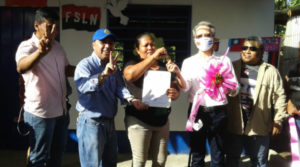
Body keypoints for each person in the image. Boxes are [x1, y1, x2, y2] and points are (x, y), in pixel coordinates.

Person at [74, 28, 145, 167]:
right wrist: (104, 75)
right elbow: (83, 87)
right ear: (93, 44)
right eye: (103, 42)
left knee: (111, 163)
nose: (107, 46)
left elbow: (120, 87)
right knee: (92, 165)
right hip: (90, 124)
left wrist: (131, 99)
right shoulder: (85, 65)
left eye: (111, 43)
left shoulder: (114, 67)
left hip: (109, 123)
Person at [15, 8, 75, 167]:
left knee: (57, 155)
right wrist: (40, 53)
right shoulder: (27, 46)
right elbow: (21, 67)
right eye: (49, 26)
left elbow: (66, 69)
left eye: (56, 27)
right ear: (36, 25)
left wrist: (88, 70)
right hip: (40, 114)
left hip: (61, 112)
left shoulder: (58, 47)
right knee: (38, 157)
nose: (54, 31)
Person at [180, 21, 239, 167]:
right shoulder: (188, 62)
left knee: (218, 155)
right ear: (195, 40)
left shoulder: (224, 61)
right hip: (197, 112)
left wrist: (226, 85)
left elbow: (235, 88)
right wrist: (177, 75)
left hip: (219, 112)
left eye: (208, 35)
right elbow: (185, 88)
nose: (204, 38)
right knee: (197, 154)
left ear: (214, 38)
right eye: (200, 36)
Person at [225, 36, 289, 167]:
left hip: (259, 124)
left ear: (260, 52)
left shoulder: (271, 71)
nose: (247, 51)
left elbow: (279, 97)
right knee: (232, 159)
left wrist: (278, 120)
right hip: (235, 122)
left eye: (252, 48)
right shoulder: (231, 67)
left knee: (259, 162)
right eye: (245, 47)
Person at [123, 32, 182, 167]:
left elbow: (175, 87)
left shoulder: (163, 67)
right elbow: (130, 76)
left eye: (152, 44)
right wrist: (153, 57)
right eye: (146, 45)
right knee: (140, 162)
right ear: (138, 50)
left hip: (162, 121)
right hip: (139, 120)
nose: (150, 47)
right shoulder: (132, 63)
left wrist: (175, 93)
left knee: (160, 161)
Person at [285, 42, 300, 155]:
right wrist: (288, 103)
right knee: (296, 150)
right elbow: (286, 89)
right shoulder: (293, 69)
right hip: (294, 117)